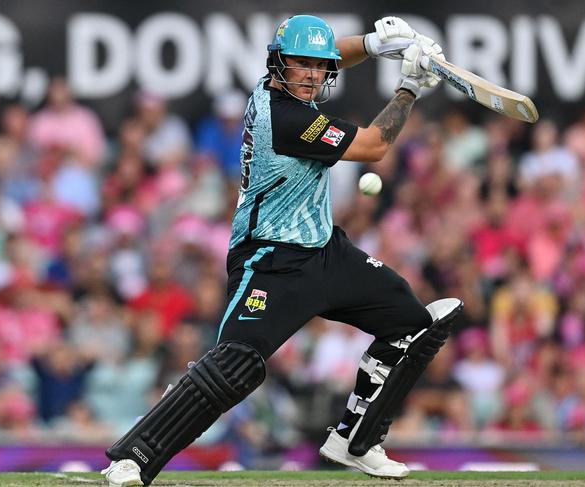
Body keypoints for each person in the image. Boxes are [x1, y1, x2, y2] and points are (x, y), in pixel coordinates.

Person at [101, 15, 463, 486]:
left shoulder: (279, 87)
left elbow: (327, 58)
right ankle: (133, 458)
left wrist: (376, 45)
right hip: (271, 260)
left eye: (321, 66)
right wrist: (410, 88)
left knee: (412, 326)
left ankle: (357, 440)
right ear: (279, 64)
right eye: (302, 65)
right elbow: (374, 146)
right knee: (236, 365)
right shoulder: (287, 118)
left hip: (325, 251)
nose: (313, 75)